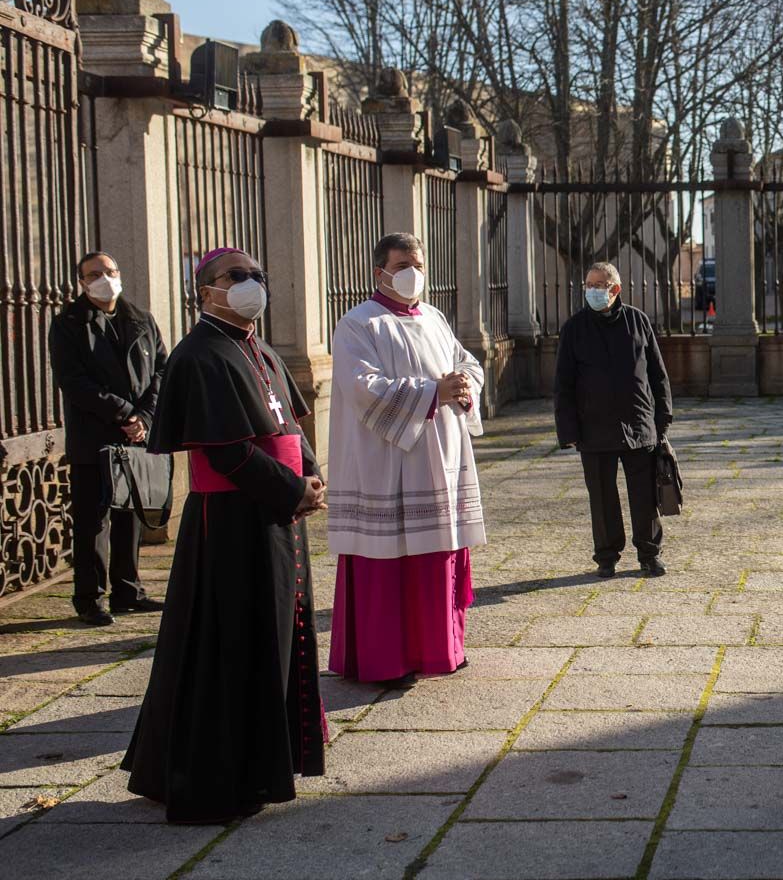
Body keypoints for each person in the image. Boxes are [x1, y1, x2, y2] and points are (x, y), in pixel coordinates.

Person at [121, 248, 326, 823]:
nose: (250, 284)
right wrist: (291, 490)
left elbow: (289, 421)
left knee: (274, 634)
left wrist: (310, 476)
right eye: (235, 277)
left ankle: (263, 763)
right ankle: (218, 777)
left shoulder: (259, 348)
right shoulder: (197, 355)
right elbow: (227, 451)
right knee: (230, 641)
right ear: (205, 290)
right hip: (232, 523)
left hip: (275, 512)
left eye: (257, 274)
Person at [326, 233, 486, 683]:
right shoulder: (358, 324)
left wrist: (463, 385)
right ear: (380, 272)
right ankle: (387, 658)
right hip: (387, 463)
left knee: (437, 557)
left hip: (443, 457)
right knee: (391, 560)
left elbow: (466, 364)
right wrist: (432, 391)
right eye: (402, 265)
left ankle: (443, 647)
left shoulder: (434, 318)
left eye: (418, 263)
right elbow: (364, 389)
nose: (412, 272)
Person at [48, 251, 168, 626]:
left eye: (110, 270)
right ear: (82, 282)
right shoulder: (69, 323)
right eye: (95, 273)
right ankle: (90, 598)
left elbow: (162, 372)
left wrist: (144, 417)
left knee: (130, 514)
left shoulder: (141, 320)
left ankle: (127, 590)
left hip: (136, 436)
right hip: (94, 438)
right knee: (92, 520)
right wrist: (124, 412)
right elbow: (73, 381)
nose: (105, 277)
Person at [554, 262, 672, 579]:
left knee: (644, 496)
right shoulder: (574, 328)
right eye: (589, 284)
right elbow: (563, 384)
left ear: (615, 289)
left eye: (599, 285)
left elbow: (657, 374)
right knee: (602, 497)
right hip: (593, 427)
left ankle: (650, 554)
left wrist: (662, 418)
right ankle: (606, 557)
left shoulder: (638, 321)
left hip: (639, 424)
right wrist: (568, 431)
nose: (592, 290)